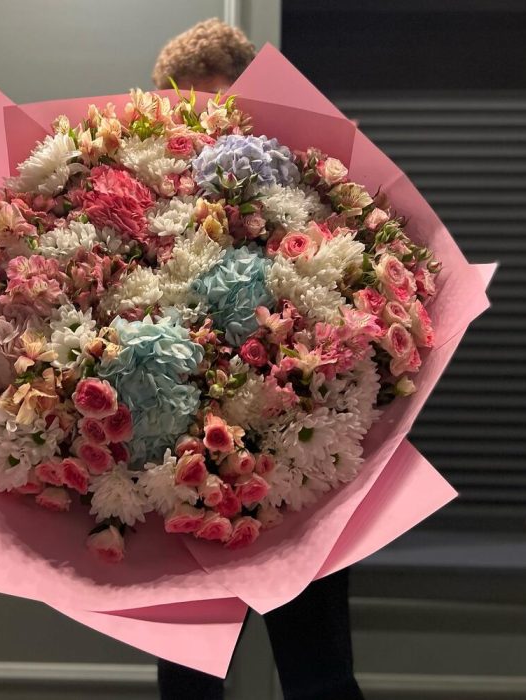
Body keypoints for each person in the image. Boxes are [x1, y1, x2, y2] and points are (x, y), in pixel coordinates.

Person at [152, 19, 365, 700]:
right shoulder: (152, 198)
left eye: (218, 104)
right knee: (188, 681)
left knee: (319, 676)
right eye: (189, 110)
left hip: (300, 466)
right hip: (189, 471)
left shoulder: (316, 194)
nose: (207, 129)